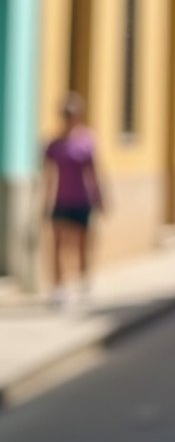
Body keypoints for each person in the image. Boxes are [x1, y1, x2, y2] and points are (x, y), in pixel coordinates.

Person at [41, 92, 104, 309]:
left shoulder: (87, 141)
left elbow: (94, 172)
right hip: (61, 201)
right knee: (58, 245)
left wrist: (100, 197)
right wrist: (45, 203)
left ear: (78, 116)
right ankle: (58, 289)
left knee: (82, 245)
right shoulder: (54, 145)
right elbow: (49, 176)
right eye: (65, 114)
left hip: (82, 200)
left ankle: (84, 282)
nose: (68, 118)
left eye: (72, 114)